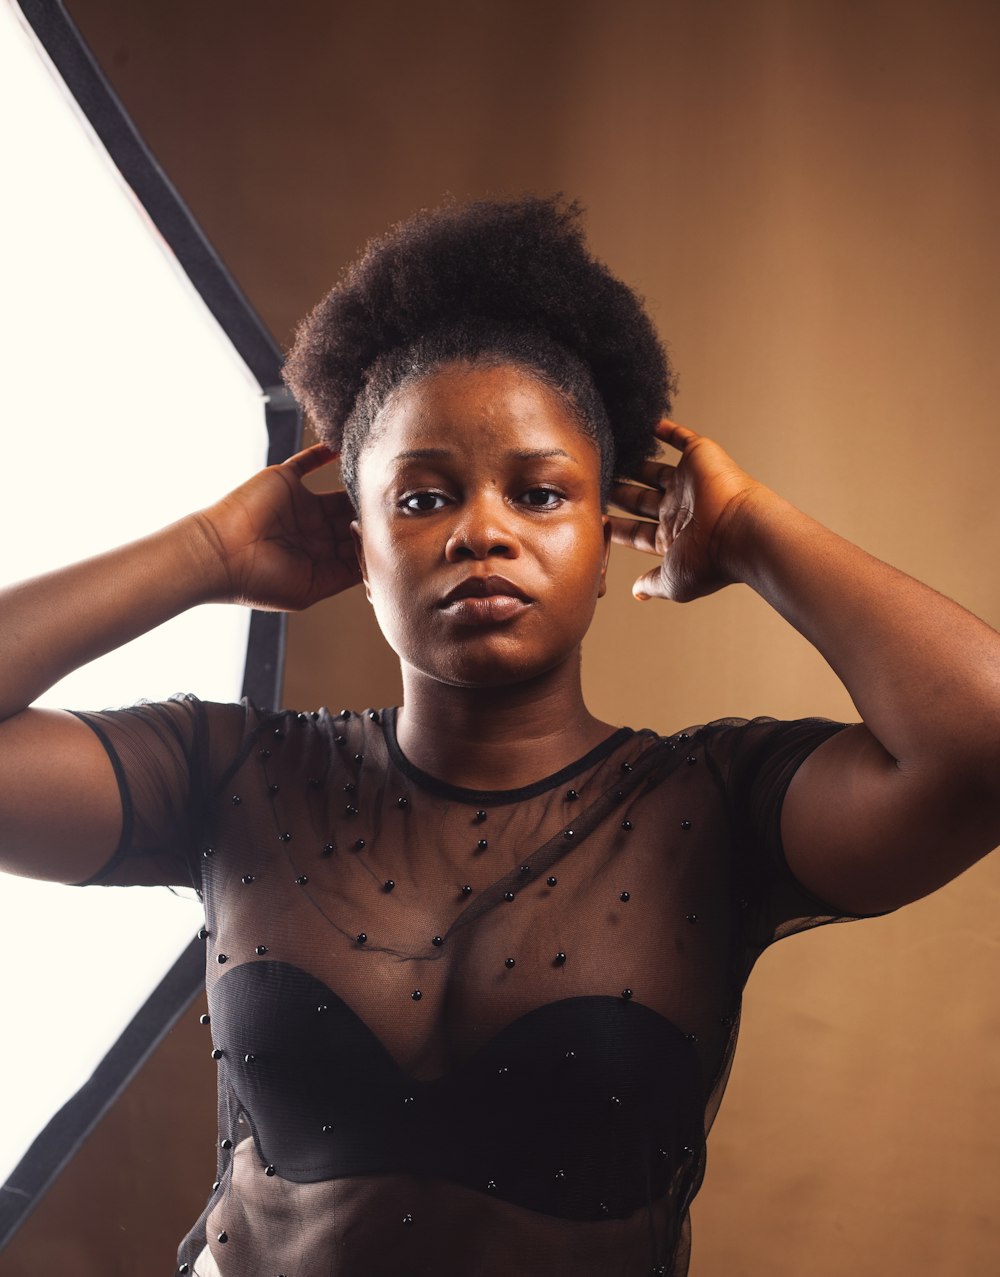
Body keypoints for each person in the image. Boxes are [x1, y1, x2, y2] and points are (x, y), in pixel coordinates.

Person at [2, 195, 999, 1277]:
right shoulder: (234, 774)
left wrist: (753, 532)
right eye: (422, 498)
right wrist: (203, 550)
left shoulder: (710, 806)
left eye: (538, 491)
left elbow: (982, 736)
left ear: (610, 531)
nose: (483, 529)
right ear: (359, 545)